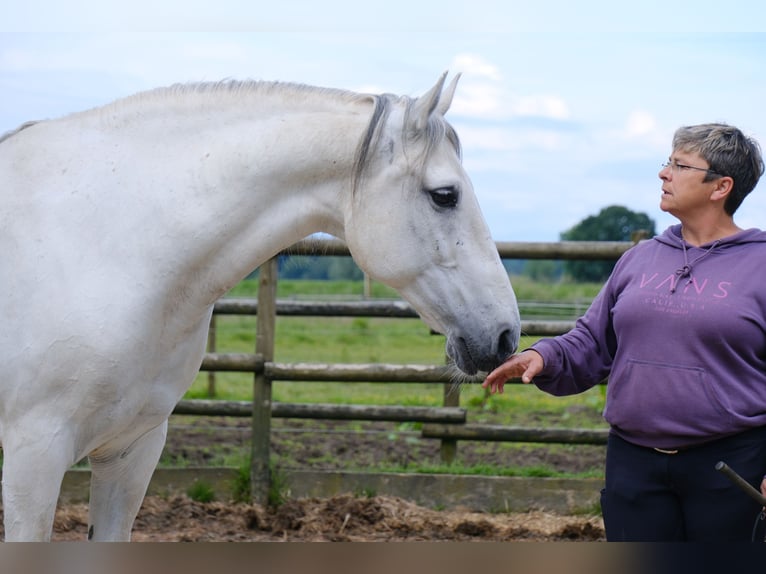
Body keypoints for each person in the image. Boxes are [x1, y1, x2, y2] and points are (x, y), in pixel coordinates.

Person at [483, 123, 766, 542]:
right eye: (667, 161)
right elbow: (592, 341)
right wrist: (542, 356)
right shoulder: (641, 258)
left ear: (721, 186)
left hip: (730, 465)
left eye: (679, 164)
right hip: (633, 465)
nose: (663, 173)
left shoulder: (759, 264)